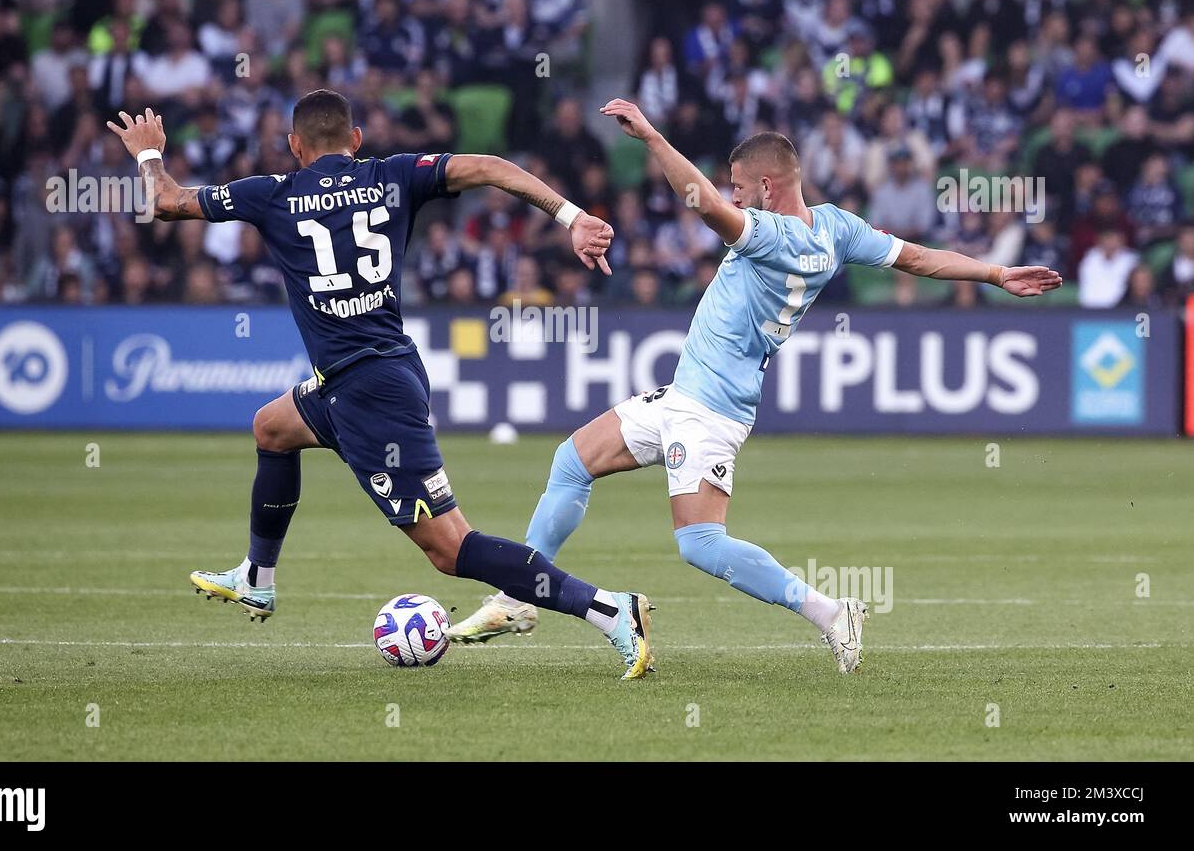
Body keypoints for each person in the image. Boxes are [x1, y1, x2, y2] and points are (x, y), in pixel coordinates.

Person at [448, 98, 1062, 674]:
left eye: (740, 187)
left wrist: (653, 137)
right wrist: (996, 272)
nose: (734, 198)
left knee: (700, 544)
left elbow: (704, 206)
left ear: (767, 186)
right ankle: (520, 594)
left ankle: (830, 611)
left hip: (710, 409)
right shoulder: (836, 228)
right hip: (685, 394)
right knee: (571, 461)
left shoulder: (776, 237)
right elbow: (920, 260)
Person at [104, 90, 655, 680]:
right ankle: (257, 579)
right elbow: (494, 168)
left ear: (294, 147)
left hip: (367, 393)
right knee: (273, 427)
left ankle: (608, 610)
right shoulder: (394, 175)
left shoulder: (271, 192)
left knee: (451, 550)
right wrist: (572, 218)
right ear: (357, 139)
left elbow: (165, 203)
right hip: (366, 377)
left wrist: (149, 156)